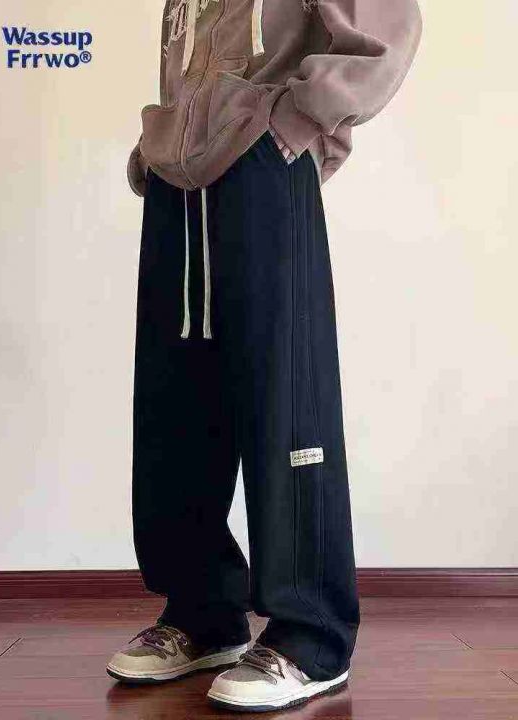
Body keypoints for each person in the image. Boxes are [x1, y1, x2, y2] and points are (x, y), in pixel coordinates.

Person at [107, 0, 422, 712]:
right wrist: (160, 148)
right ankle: (202, 611)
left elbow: (386, 29)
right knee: (173, 401)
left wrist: (296, 122)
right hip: (177, 182)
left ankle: (312, 634)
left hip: (262, 163)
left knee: (287, 397)